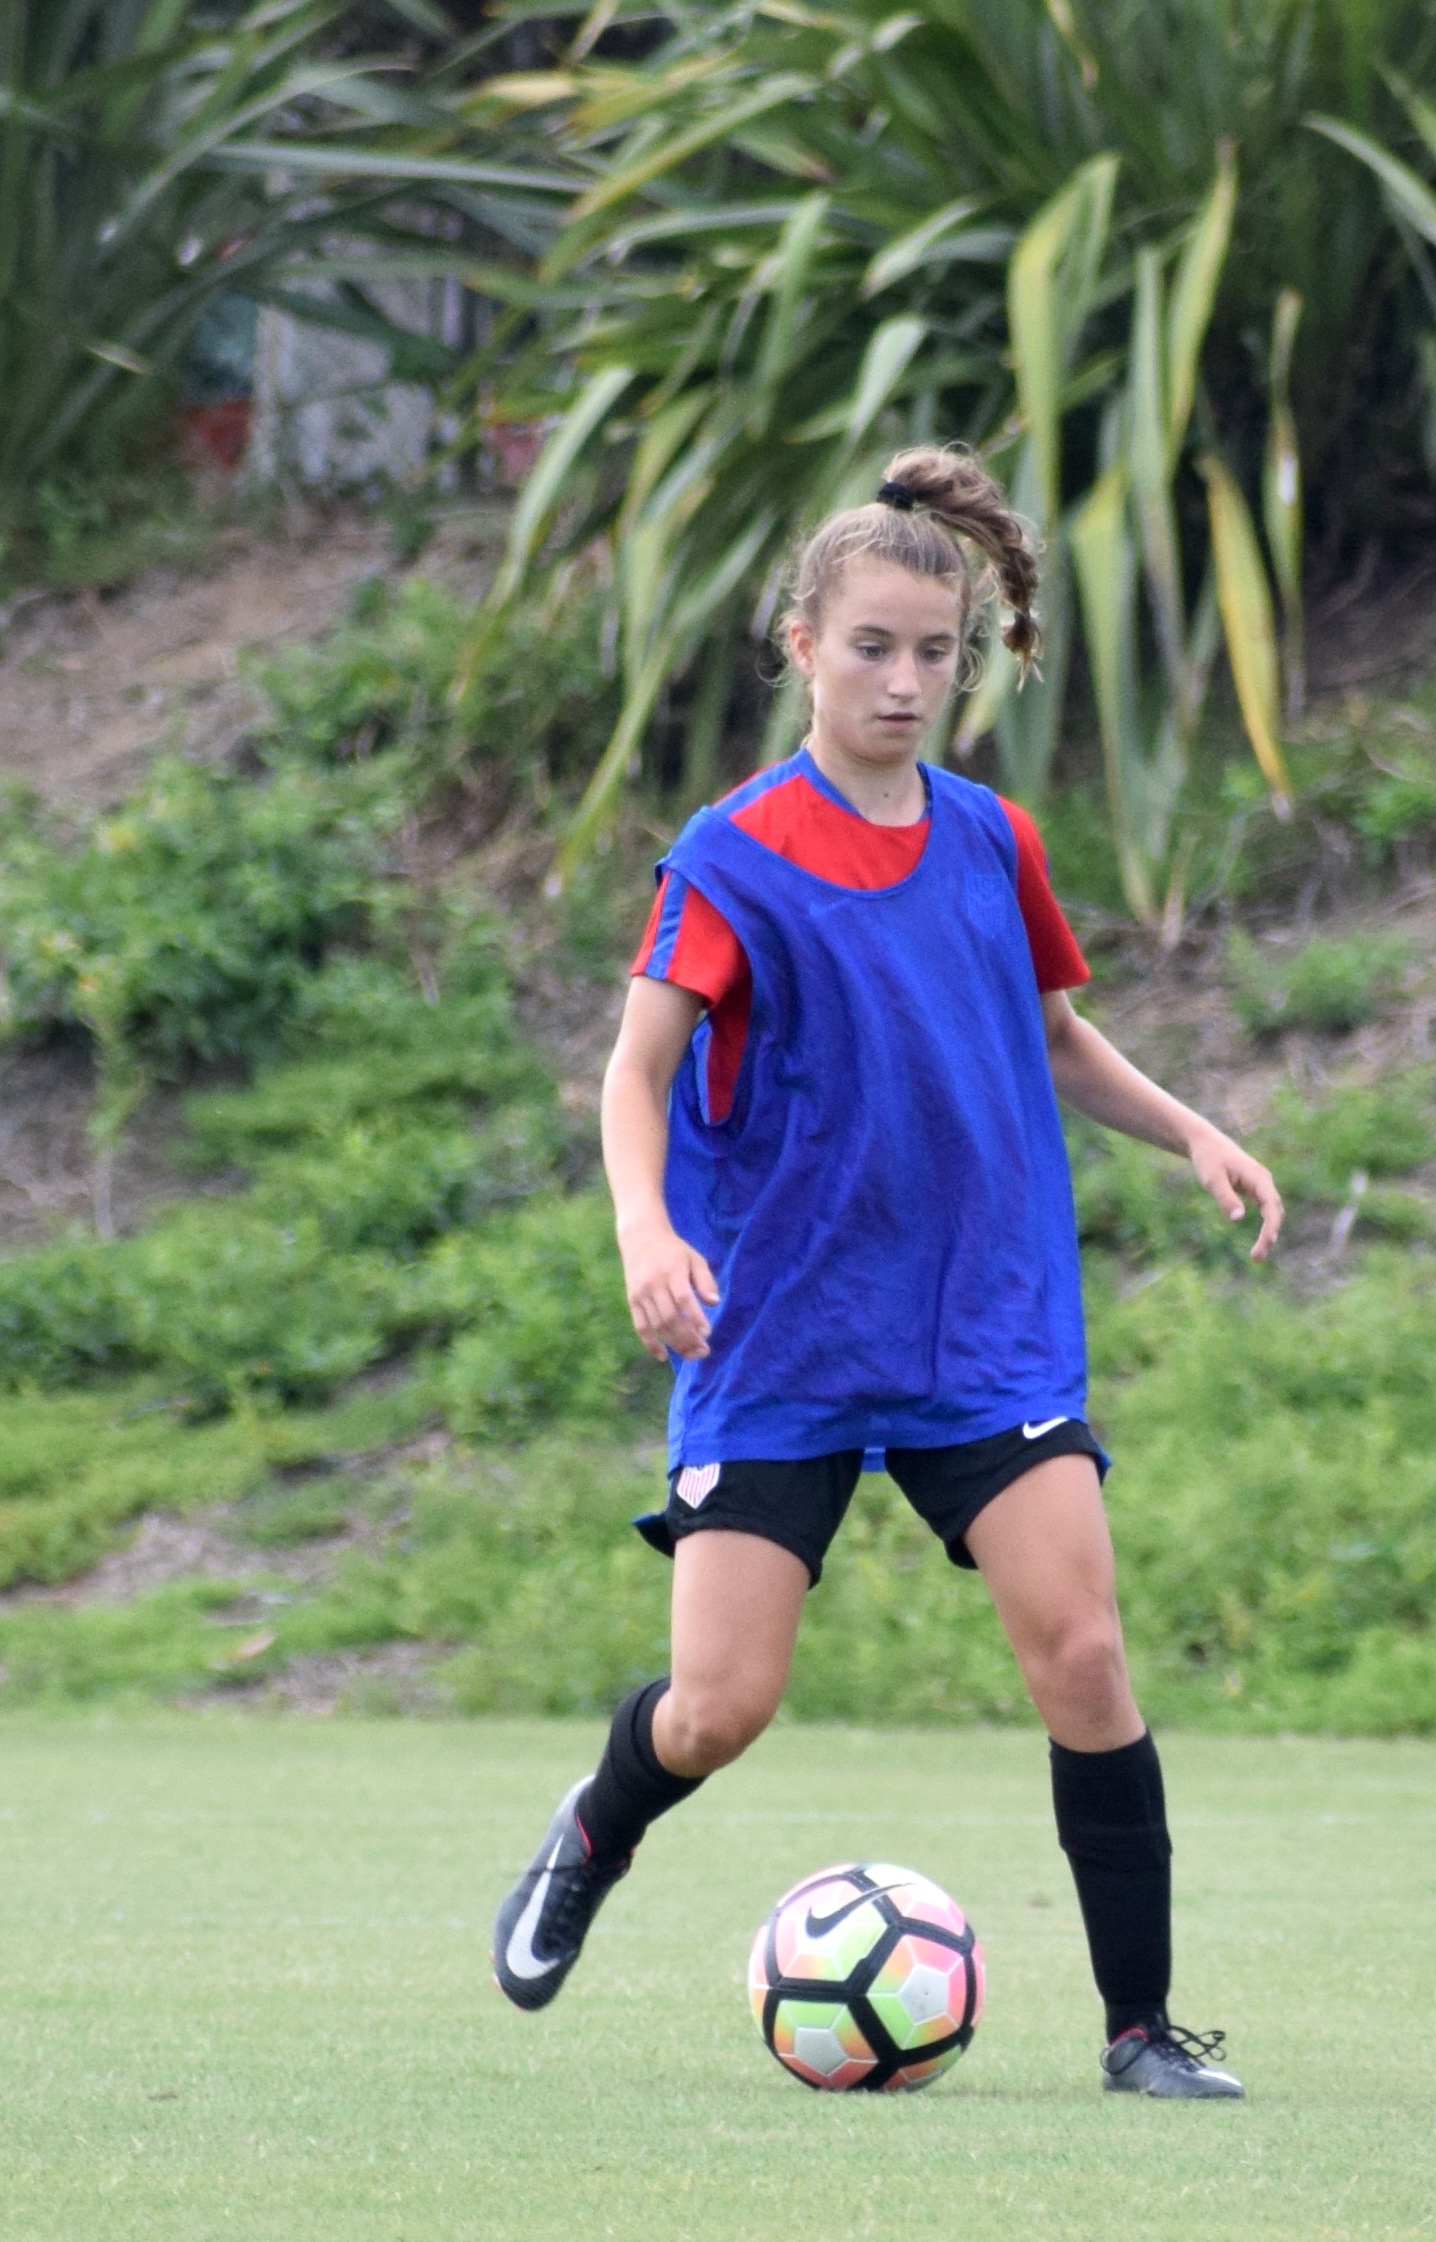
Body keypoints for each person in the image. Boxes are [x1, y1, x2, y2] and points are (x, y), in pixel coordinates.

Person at [489, 447, 1286, 2102]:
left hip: (979, 1325)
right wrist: (648, 1231)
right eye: (874, 646)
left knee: (1083, 1654)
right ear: (800, 642)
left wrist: (1190, 1128)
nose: (908, 680)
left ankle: (1141, 2029)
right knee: (718, 1706)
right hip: (780, 1328)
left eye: (939, 651)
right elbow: (635, 1074)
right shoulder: (731, 853)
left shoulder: (995, 838)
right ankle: (592, 1828)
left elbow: (1055, 1034)